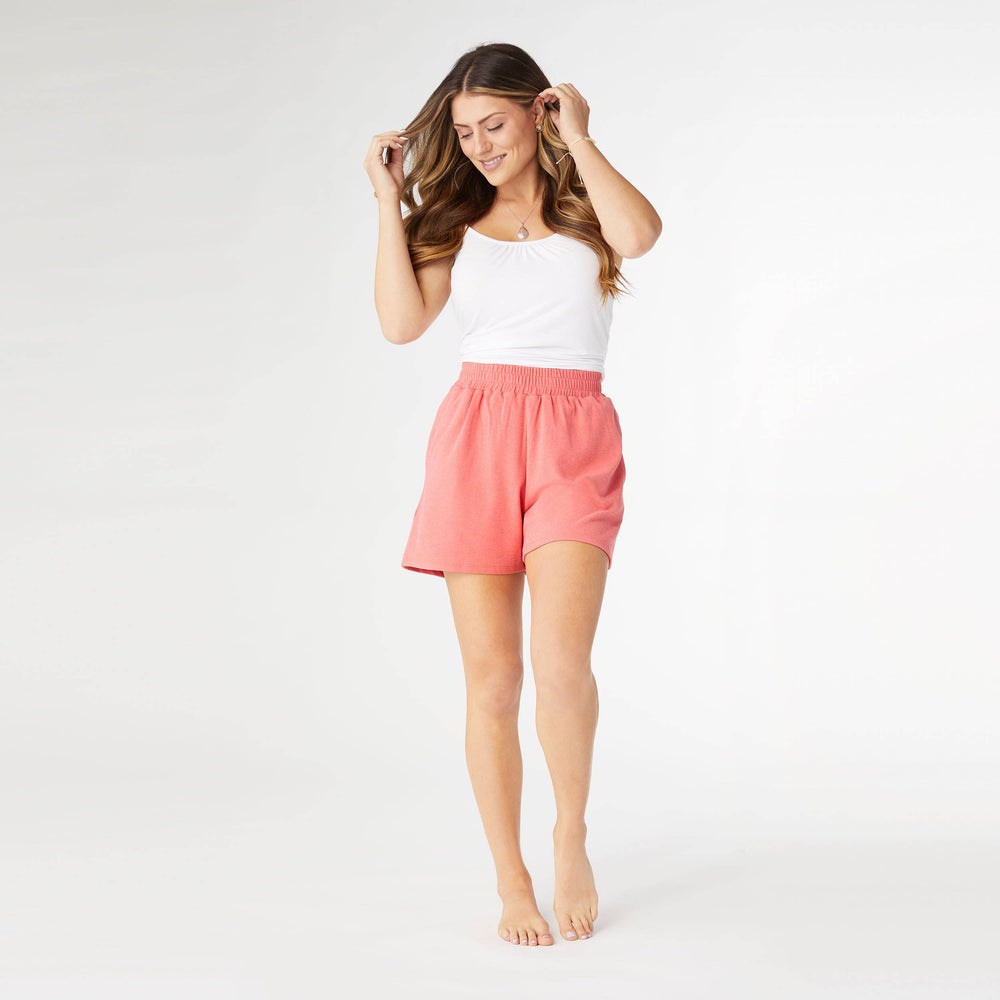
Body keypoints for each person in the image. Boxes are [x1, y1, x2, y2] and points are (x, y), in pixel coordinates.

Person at [364, 42, 661, 948]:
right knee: (493, 682)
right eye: (464, 132)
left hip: (574, 432)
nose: (481, 144)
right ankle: (511, 876)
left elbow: (642, 235)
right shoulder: (454, 220)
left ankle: (570, 836)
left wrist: (582, 136)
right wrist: (390, 202)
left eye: (495, 123)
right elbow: (402, 323)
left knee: (562, 667)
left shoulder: (586, 211)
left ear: (538, 112)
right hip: (477, 435)